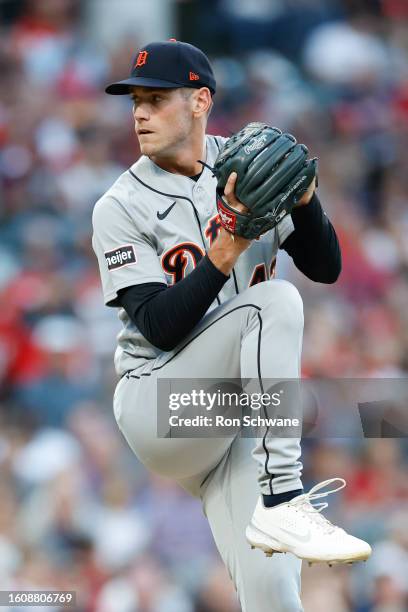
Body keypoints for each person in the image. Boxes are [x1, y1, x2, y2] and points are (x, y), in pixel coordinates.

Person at [92, 40, 371, 612]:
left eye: (156, 99)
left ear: (200, 101)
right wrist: (228, 249)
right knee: (274, 302)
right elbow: (159, 328)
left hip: (237, 419)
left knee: (275, 596)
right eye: (135, 101)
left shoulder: (246, 163)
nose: (140, 113)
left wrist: (306, 201)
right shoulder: (119, 205)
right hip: (160, 405)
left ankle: (277, 509)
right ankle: (286, 499)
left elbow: (328, 267)